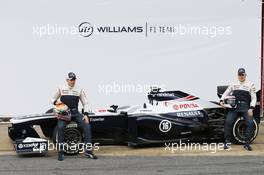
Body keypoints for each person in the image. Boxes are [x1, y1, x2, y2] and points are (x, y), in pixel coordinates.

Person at [51, 72, 97, 161]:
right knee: (60, 127)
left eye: (74, 79)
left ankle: (88, 151)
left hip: (75, 113)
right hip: (64, 114)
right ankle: (60, 152)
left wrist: (86, 114)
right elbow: (52, 98)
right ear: (67, 80)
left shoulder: (79, 89)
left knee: (87, 126)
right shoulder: (60, 88)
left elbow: (86, 103)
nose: (73, 81)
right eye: (71, 80)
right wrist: (56, 102)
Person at [220, 68, 256, 151]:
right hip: (234, 107)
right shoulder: (233, 83)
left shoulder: (251, 84)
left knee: (250, 123)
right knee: (228, 121)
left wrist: (251, 108)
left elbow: (254, 98)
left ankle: (247, 143)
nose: (241, 76)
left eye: (243, 74)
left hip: (245, 107)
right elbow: (226, 92)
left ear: (245, 75)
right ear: (238, 75)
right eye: (240, 74)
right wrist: (221, 100)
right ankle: (227, 142)